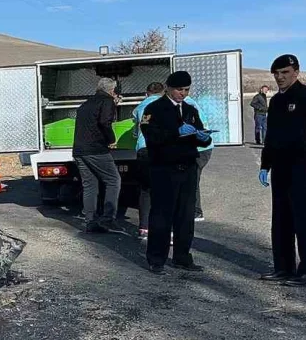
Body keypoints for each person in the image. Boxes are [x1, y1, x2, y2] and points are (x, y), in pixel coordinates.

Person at [259, 54, 306, 286]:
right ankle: (283, 268)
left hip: (302, 167)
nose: (280, 77)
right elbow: (271, 136)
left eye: (285, 72)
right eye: (276, 74)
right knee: (281, 220)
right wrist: (265, 164)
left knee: (305, 221)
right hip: (280, 167)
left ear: (296, 72)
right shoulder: (276, 101)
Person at [139, 71, 211, 274]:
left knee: (185, 216)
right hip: (164, 169)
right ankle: (156, 259)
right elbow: (151, 136)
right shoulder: (154, 109)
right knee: (162, 216)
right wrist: (175, 133)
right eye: (180, 89)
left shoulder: (189, 109)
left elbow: (198, 132)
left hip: (187, 167)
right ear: (169, 88)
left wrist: (203, 138)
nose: (183, 94)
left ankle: (182, 257)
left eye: (187, 90)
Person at [73, 77, 123, 233]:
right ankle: (108, 218)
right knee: (113, 180)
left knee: (90, 185)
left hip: (79, 150)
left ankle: (91, 221)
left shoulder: (86, 104)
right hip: (96, 149)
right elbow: (104, 122)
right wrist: (111, 139)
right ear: (112, 90)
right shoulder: (106, 101)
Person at [131, 81, 164, 240]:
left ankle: (144, 228)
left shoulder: (140, 108)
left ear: (147, 93)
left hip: (144, 149)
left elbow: (137, 130)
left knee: (146, 190)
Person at [184, 96, 215, 221]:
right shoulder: (189, 102)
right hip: (203, 149)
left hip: (199, 150)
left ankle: (196, 211)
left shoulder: (187, 105)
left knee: (192, 179)